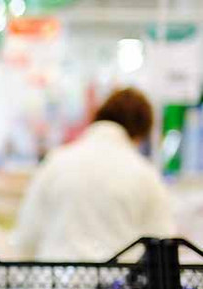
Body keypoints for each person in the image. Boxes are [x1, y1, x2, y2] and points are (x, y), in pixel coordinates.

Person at [13, 87, 176, 261]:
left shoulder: (56, 162)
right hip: (118, 284)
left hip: (56, 282)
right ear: (140, 134)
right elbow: (162, 244)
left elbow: (27, 237)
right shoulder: (145, 174)